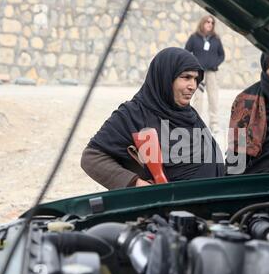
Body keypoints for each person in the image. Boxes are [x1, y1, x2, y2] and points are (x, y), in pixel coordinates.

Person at [81, 47, 224, 190]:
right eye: (186, 77)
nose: (193, 86)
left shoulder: (189, 114)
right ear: (166, 77)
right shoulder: (133, 115)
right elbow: (92, 157)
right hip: (166, 207)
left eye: (195, 78)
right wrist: (135, 183)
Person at [185, 15, 225, 134]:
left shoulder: (216, 39)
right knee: (198, 98)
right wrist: (192, 65)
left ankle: (214, 124)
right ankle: (196, 124)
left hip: (212, 73)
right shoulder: (194, 37)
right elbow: (186, 52)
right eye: (208, 22)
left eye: (212, 23)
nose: (210, 24)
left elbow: (222, 55)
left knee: (213, 98)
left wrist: (215, 64)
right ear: (202, 23)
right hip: (197, 73)